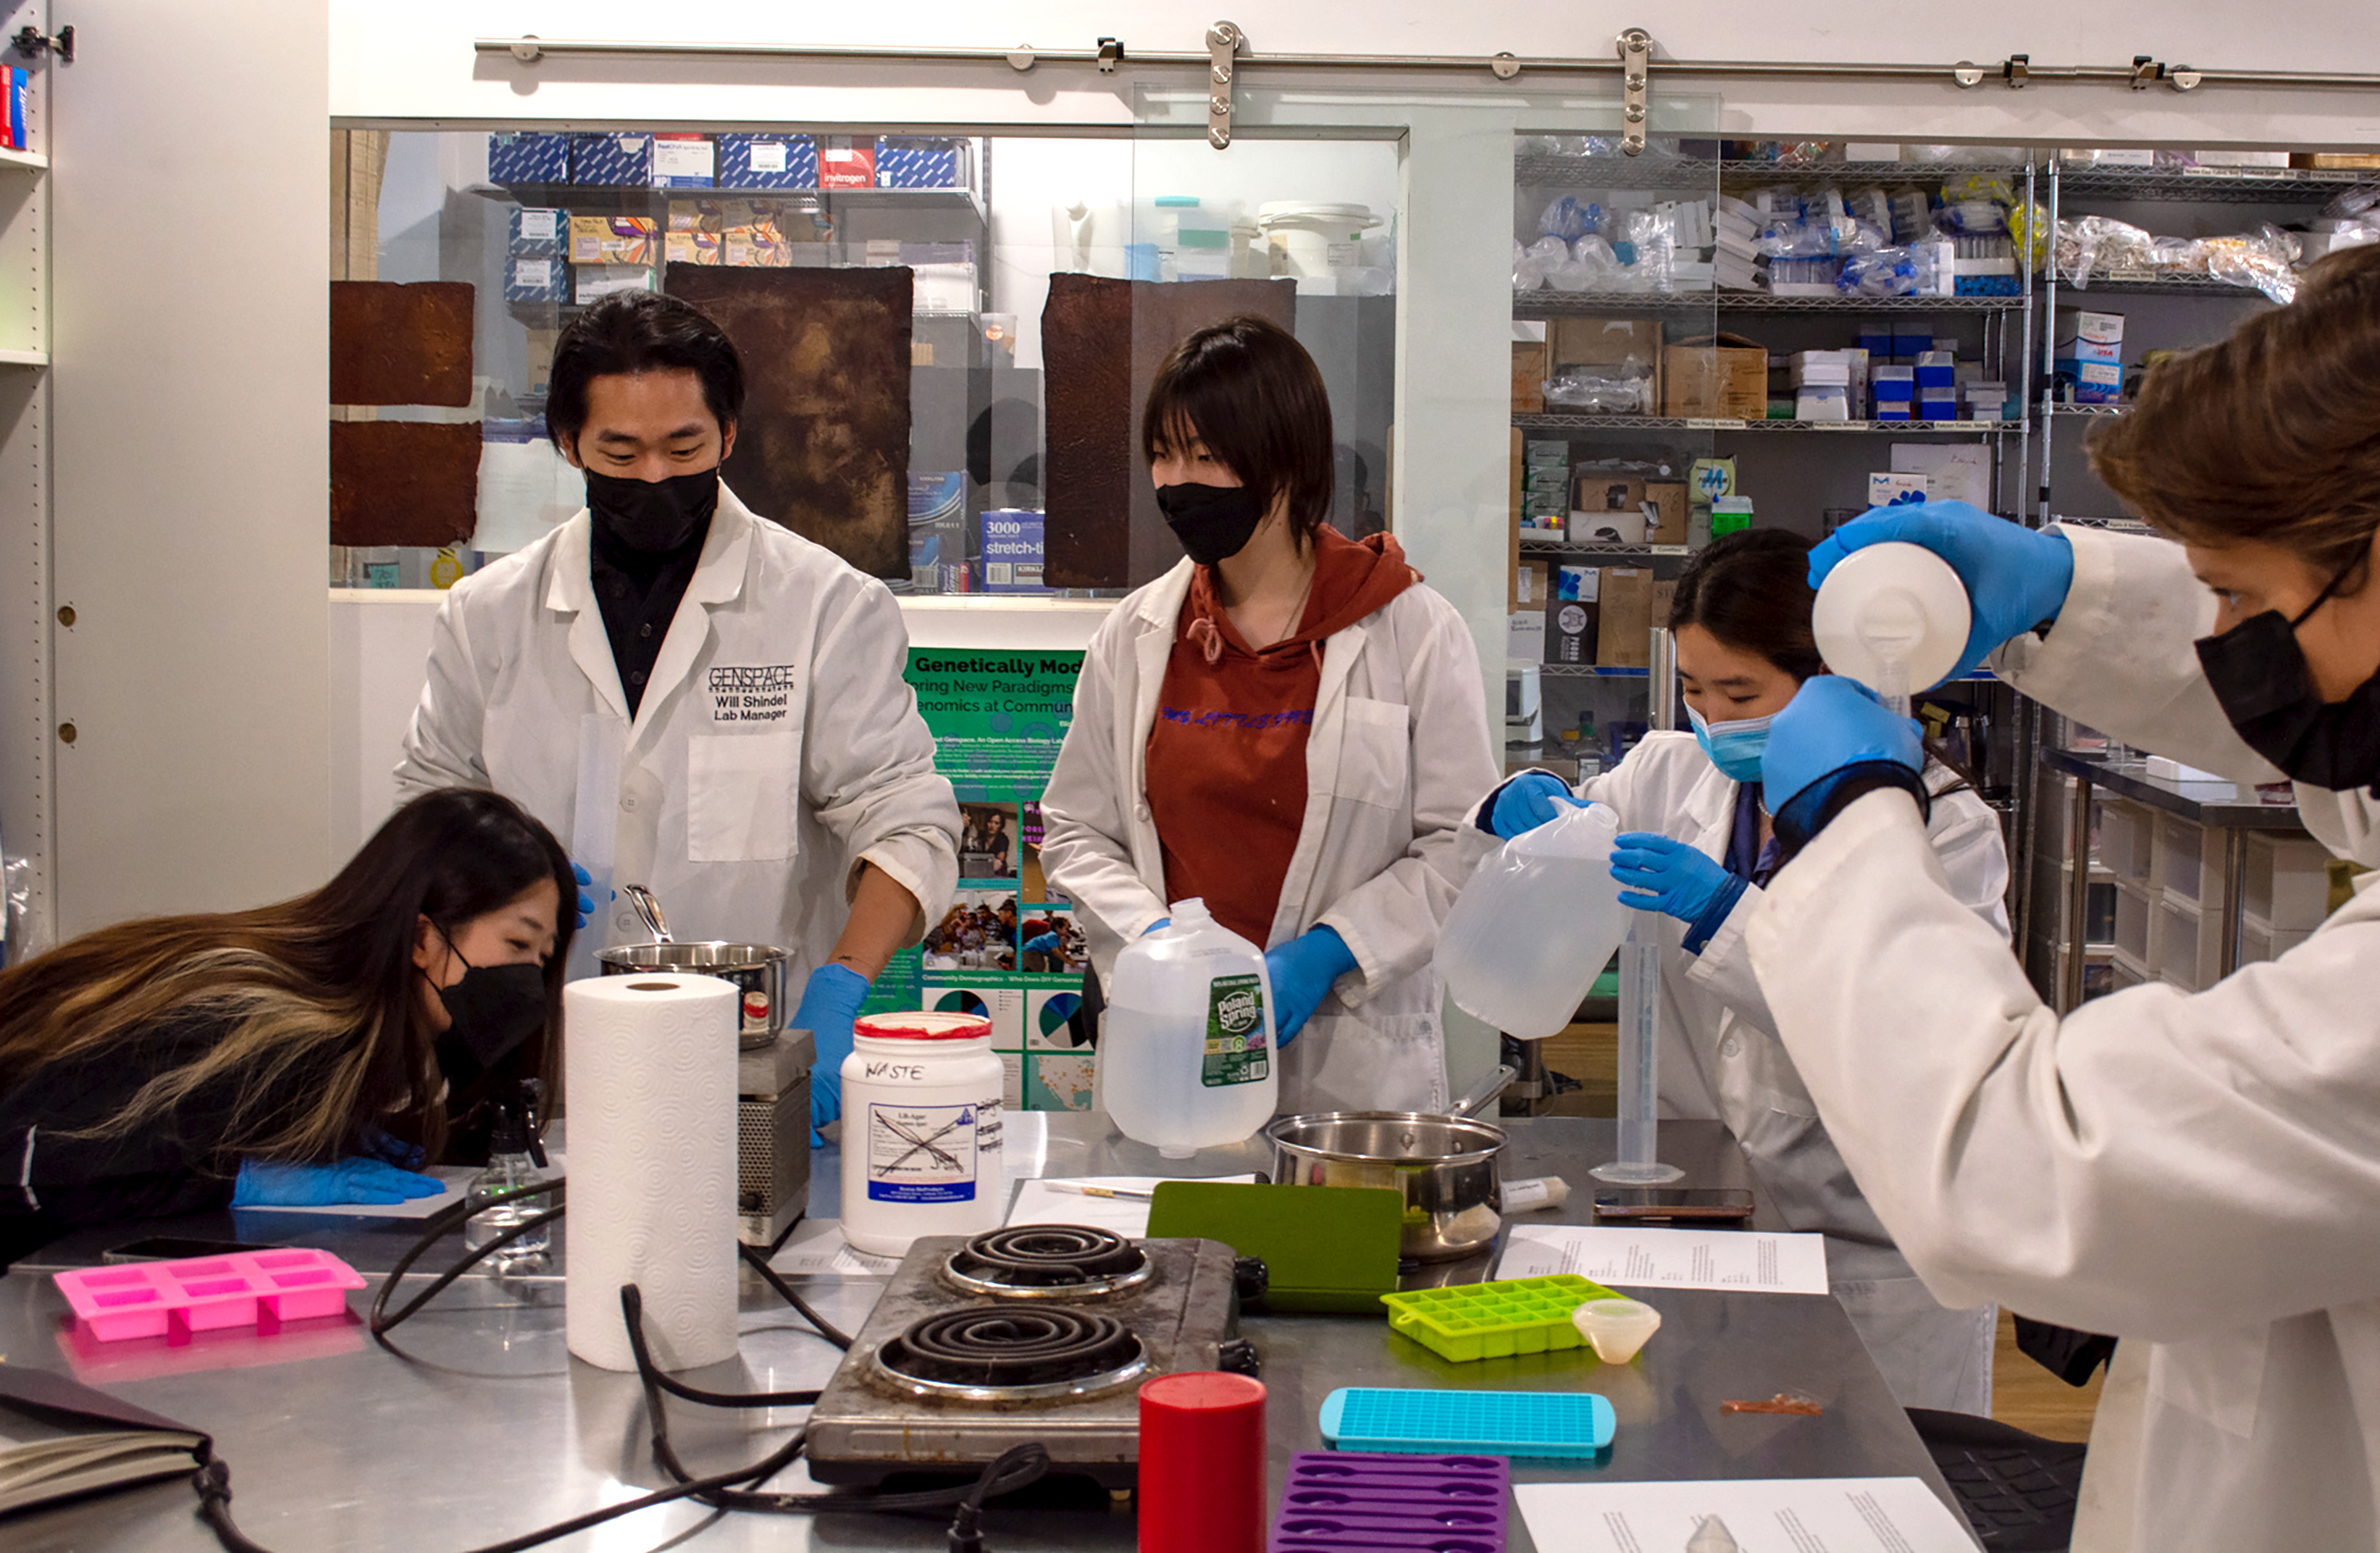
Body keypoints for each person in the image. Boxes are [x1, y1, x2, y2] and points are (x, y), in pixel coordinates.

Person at [1744, 242, 2380, 1548]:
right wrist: (2062, 596)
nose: (2222, 636)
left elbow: (2030, 1165)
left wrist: (1850, 822)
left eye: (2237, 593)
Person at [1467, 529, 2010, 1413]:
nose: (1712, 720)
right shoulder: (1666, 773)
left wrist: (1730, 915)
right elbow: (1541, 841)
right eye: (1692, 689)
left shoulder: (1945, 830)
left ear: (1835, 684)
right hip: (1694, 1216)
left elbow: (1913, 1035)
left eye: (1740, 692)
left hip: (1870, 1245)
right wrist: (1512, 804)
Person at [398, 291, 959, 1138]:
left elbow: (906, 822)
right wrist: (498, 875)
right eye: (619, 452)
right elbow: (424, 821)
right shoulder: (488, 616)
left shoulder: (824, 605)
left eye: (683, 446)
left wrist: (842, 987)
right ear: (567, 443)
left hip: (749, 1071)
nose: (654, 476)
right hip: (536, 1064)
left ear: (729, 436)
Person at [1040, 315, 1496, 1113]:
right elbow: (1077, 829)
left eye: (1208, 457)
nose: (1176, 481)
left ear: (1283, 460)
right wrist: (1154, 943)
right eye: (1163, 453)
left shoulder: (1409, 629)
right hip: (1168, 1047)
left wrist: (1329, 952)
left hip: (1346, 1060)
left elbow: (1462, 845)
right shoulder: (1140, 632)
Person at [0, 790, 573, 1270]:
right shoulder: (259, 1025)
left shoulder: (372, 1034)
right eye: (518, 943)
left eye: (542, 957)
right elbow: (22, 1163)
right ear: (422, 939)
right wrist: (230, 1181)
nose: (528, 979)